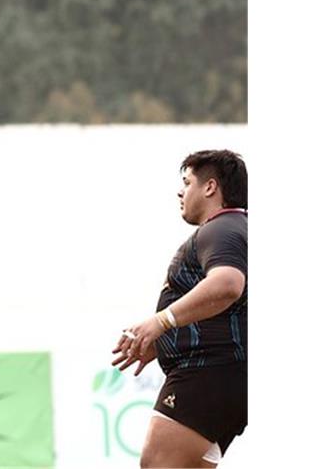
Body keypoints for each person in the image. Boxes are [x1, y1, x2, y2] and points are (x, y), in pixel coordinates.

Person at [111, 150, 248, 468]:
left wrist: (162, 321)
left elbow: (228, 284)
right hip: (226, 373)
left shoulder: (221, 229)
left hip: (207, 373)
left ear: (210, 187)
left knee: (158, 464)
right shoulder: (238, 229)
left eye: (187, 183)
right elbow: (233, 310)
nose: (180, 191)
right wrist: (166, 342)